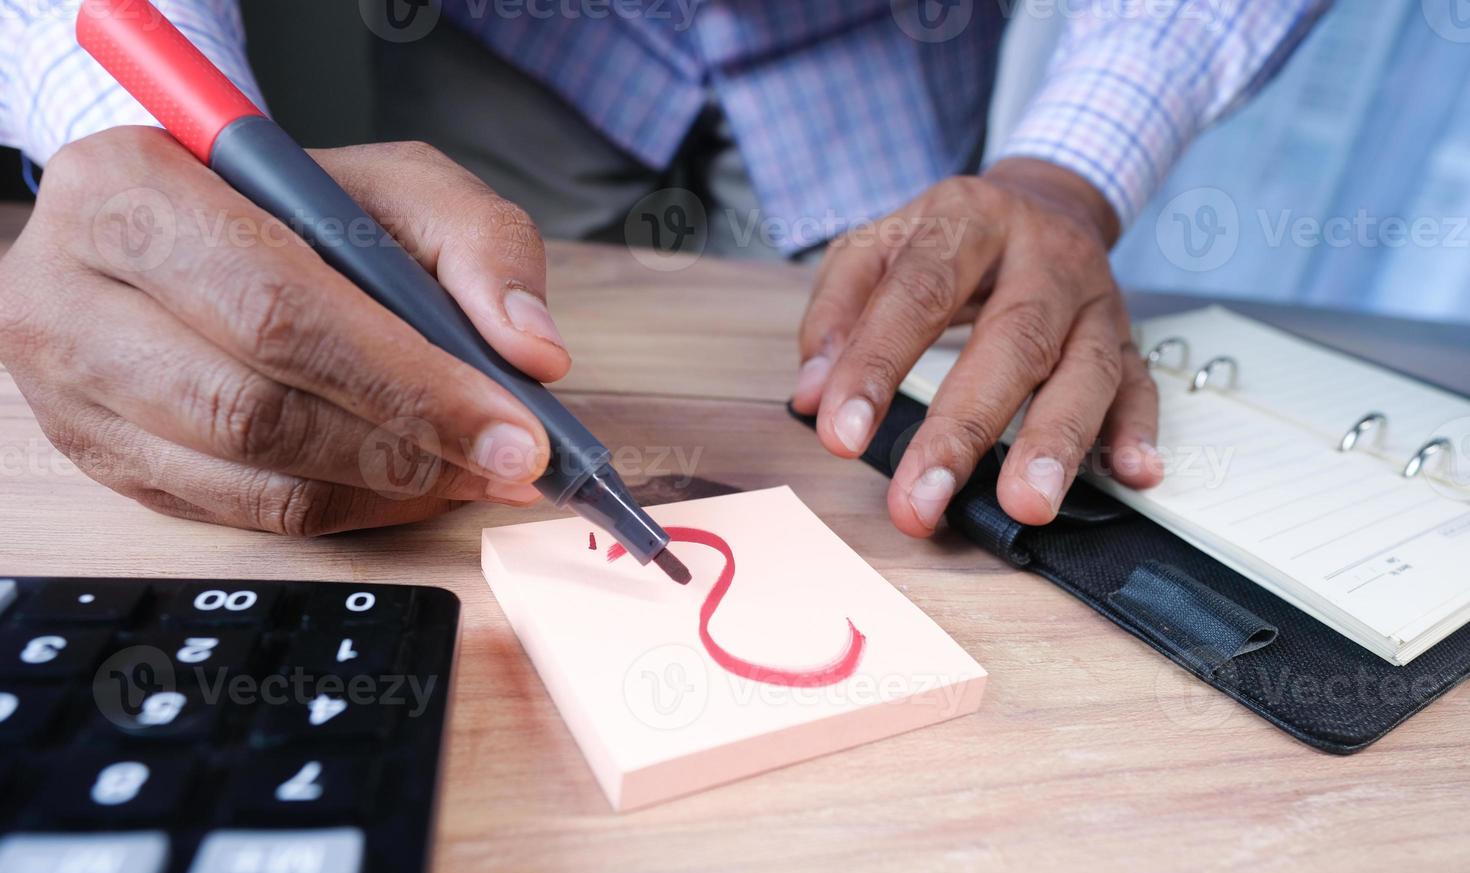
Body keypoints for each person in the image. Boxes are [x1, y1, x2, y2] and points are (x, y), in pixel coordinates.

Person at [0, 0, 1329, 537]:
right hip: (526, 45)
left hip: (876, 80)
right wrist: (127, 139)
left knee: (887, 399)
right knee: (392, 376)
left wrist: (1066, 165)